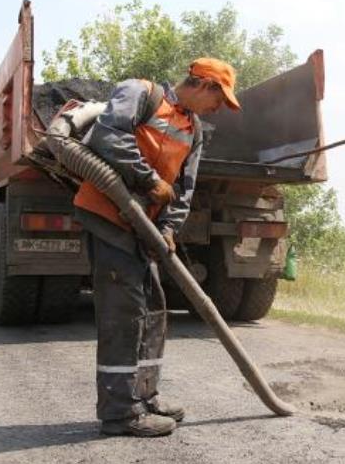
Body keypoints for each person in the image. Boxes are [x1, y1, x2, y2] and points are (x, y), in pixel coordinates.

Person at [72, 58, 240, 437]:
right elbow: (107, 137)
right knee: (124, 312)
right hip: (110, 217)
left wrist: (167, 229)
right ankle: (119, 414)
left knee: (154, 309)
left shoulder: (194, 130)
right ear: (204, 85)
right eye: (219, 100)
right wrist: (148, 182)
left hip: (144, 230)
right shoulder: (140, 93)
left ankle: (145, 397)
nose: (219, 109)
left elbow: (184, 189)